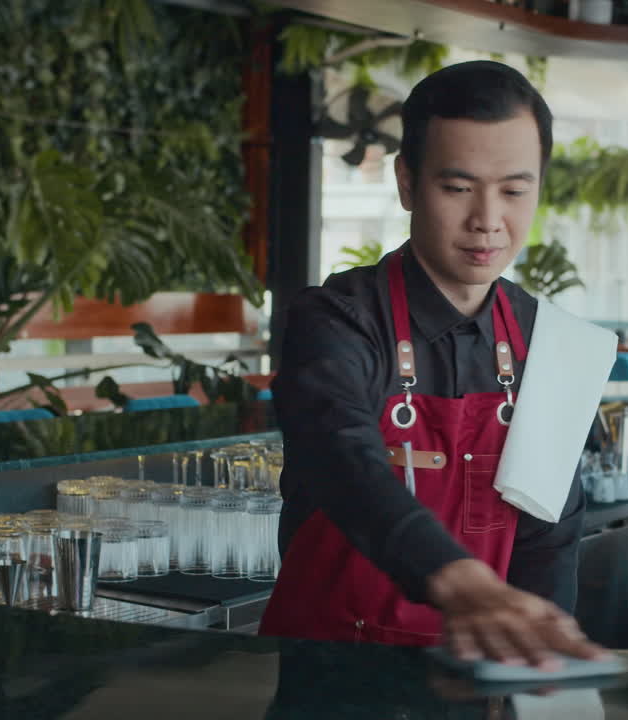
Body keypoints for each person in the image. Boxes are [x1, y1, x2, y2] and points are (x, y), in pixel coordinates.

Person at [259, 60, 605, 669]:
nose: (488, 220)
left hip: (476, 679)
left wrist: (541, 676)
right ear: (407, 183)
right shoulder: (336, 320)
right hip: (330, 677)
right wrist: (458, 578)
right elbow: (343, 460)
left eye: (515, 190)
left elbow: (549, 543)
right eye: (458, 187)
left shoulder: (548, 341)